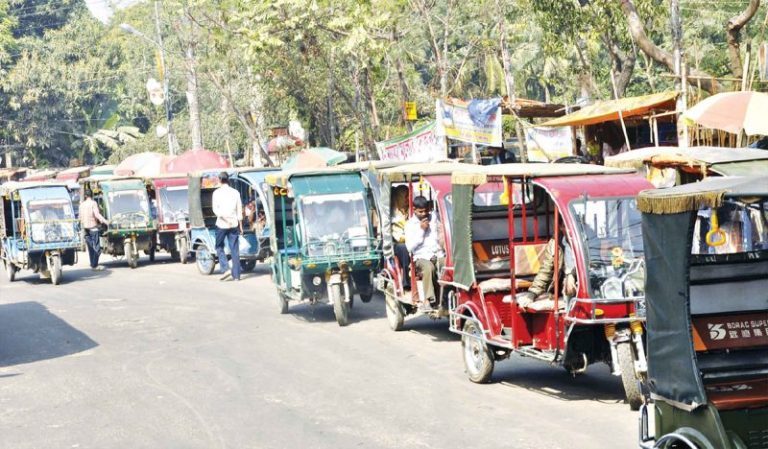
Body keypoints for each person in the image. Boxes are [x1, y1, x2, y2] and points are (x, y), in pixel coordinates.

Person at [515, 218, 576, 309]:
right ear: (560, 227)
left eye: (572, 226)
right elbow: (546, 269)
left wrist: (571, 274)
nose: (570, 230)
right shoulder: (555, 243)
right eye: (565, 226)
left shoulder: (584, 242)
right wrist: (533, 293)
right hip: (563, 287)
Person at [405, 196, 445, 309]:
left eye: (426, 211)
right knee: (429, 268)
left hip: (437, 254)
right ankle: (428, 300)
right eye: (420, 211)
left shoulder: (434, 218)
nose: (424, 214)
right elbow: (409, 247)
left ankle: (447, 296)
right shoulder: (410, 225)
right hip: (421, 257)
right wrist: (421, 230)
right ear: (414, 209)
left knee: (448, 266)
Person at [212, 172, 243, 281]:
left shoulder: (216, 193)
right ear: (228, 180)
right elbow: (240, 210)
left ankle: (225, 269)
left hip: (221, 224)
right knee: (235, 249)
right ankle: (237, 276)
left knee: (219, 246)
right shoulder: (235, 192)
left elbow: (216, 210)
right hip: (234, 224)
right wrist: (241, 226)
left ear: (219, 180)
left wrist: (225, 219)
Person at [79, 189, 109, 271]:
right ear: (91, 195)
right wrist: (105, 221)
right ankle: (95, 265)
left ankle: (92, 264)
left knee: (90, 248)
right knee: (97, 249)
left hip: (85, 229)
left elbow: (80, 217)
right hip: (93, 228)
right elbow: (97, 214)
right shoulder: (93, 203)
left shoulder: (82, 205)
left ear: (85, 196)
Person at [391, 185, 411, 289]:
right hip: (398, 243)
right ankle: (406, 280)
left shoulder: (411, 209)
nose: (408, 198)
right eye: (405, 196)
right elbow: (397, 236)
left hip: (412, 239)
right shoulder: (393, 212)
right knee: (404, 248)